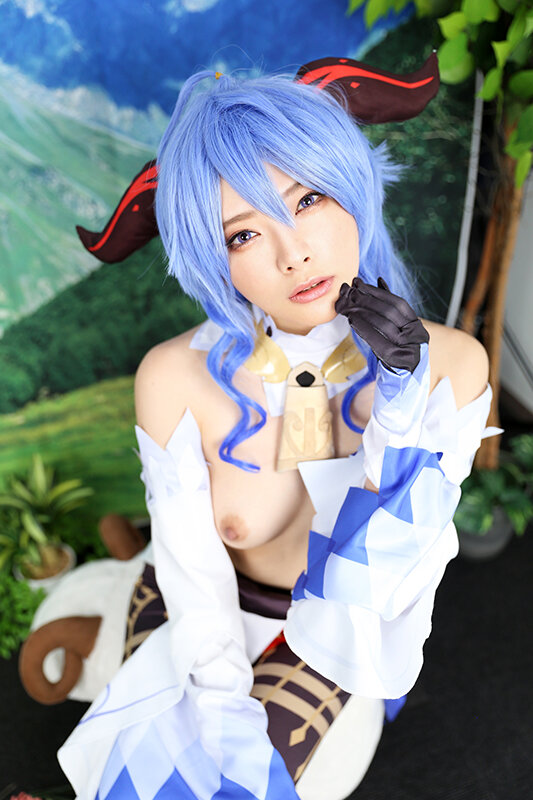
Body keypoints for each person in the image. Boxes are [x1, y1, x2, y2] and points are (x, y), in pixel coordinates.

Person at [59, 69, 492, 800]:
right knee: (146, 771)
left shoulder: (451, 364)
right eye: (244, 233)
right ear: (210, 256)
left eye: (309, 198)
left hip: (330, 626)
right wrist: (221, 711)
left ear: (352, 185)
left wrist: (399, 403)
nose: (293, 253)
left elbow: (381, 571)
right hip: (191, 608)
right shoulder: (172, 376)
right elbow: (192, 575)